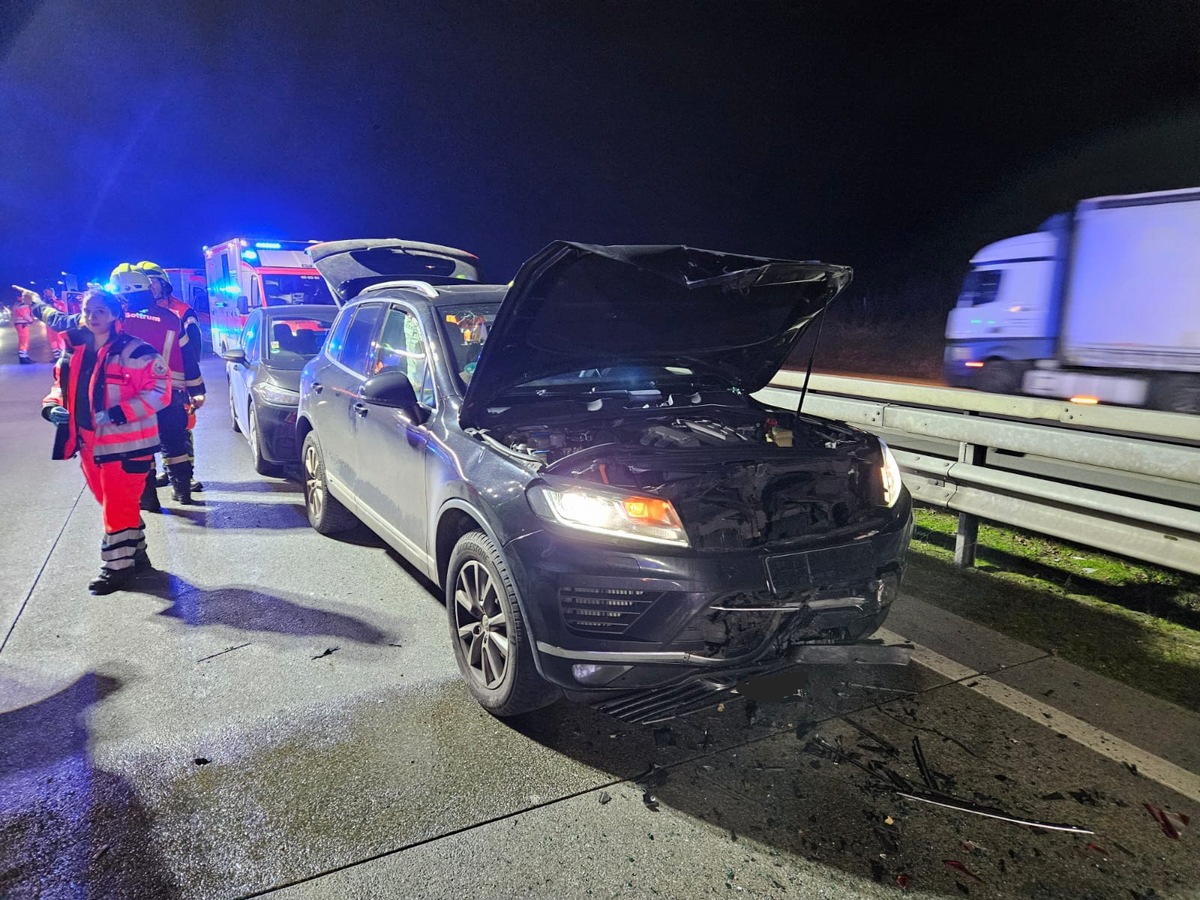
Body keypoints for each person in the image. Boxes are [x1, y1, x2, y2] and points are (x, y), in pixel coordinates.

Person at [40, 289, 170, 594]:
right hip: (89, 444)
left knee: (117, 505)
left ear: (114, 315)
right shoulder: (75, 352)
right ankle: (136, 555)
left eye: (100, 310)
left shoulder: (137, 352)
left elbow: (160, 391)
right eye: (88, 310)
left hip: (127, 446)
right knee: (113, 503)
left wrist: (120, 413)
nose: (92, 316)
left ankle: (116, 569)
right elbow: (61, 386)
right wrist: (51, 405)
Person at [109, 264, 206, 507]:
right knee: (175, 444)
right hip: (169, 395)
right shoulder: (170, 318)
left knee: (140, 447)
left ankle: (148, 498)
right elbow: (188, 357)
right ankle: (182, 492)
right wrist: (197, 390)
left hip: (132, 399)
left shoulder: (117, 323)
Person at [135, 261, 205, 493]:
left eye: (152, 281)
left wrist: (192, 386)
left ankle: (186, 477)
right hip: (146, 389)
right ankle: (159, 474)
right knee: (148, 434)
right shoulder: (136, 311)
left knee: (180, 431)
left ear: (163, 284)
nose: (148, 286)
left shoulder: (181, 311)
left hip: (175, 385)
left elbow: (192, 349)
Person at [42, 288, 68, 359]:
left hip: (57, 322)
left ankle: (62, 356)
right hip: (49, 323)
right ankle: (56, 356)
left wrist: (54, 304)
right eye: (45, 292)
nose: (46, 294)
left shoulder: (58, 301)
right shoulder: (44, 302)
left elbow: (63, 309)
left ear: (52, 292)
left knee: (59, 338)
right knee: (51, 339)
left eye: (48, 292)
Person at [12, 288, 34, 363]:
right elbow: (25, 314)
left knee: (22, 340)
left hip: (19, 324)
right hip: (22, 324)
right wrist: (31, 320)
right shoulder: (22, 304)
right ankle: (23, 358)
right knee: (24, 340)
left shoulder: (16, 304)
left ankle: (24, 356)